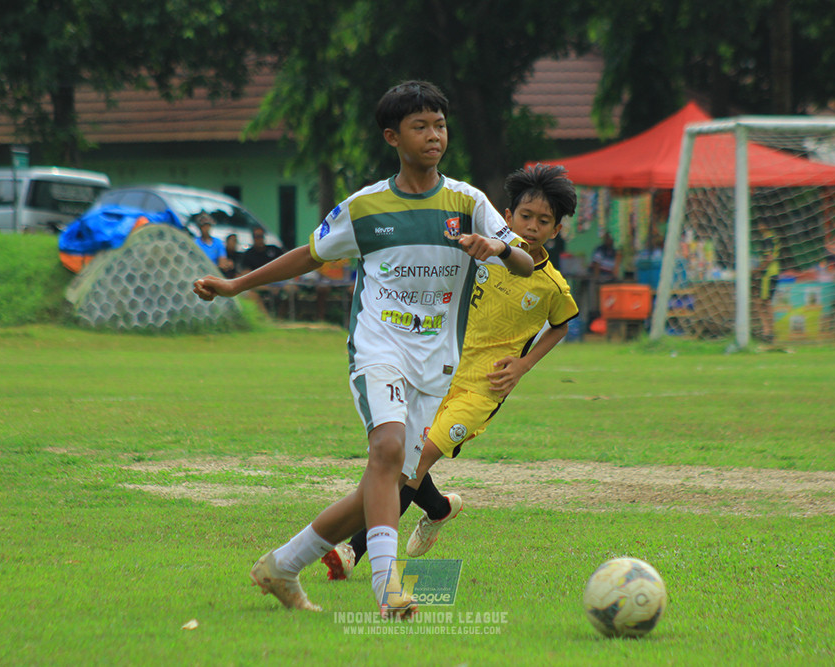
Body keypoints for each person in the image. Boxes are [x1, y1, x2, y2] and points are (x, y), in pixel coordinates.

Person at [192, 80, 533, 618]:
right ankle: (386, 587)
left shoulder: (469, 203)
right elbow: (308, 255)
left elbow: (524, 261)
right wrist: (237, 285)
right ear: (392, 137)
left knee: (385, 482)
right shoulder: (366, 207)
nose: (433, 135)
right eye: (420, 126)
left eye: (440, 124)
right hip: (379, 347)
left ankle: (280, 565)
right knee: (388, 452)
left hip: (436, 361)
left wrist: (496, 245)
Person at [321, 163, 579, 579]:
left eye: (543, 221)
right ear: (506, 217)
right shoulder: (481, 257)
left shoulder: (551, 286)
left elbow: (563, 324)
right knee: (405, 458)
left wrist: (524, 365)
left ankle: (352, 553)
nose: (531, 227)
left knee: (415, 461)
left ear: (556, 229)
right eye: (525, 217)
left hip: (483, 389)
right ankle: (439, 509)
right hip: (439, 370)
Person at [751, 221, 781, 343]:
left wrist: (758, 269)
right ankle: (768, 331)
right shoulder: (774, 237)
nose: (758, 226)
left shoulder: (767, 239)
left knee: (763, 302)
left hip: (768, 274)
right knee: (763, 302)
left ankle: (768, 332)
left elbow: (769, 258)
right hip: (774, 272)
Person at [588, 230, 619, 321]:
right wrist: (597, 279)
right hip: (600, 279)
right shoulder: (600, 250)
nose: (609, 240)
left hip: (609, 280)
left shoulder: (614, 251)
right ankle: (596, 317)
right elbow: (596, 266)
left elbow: (616, 268)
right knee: (597, 301)